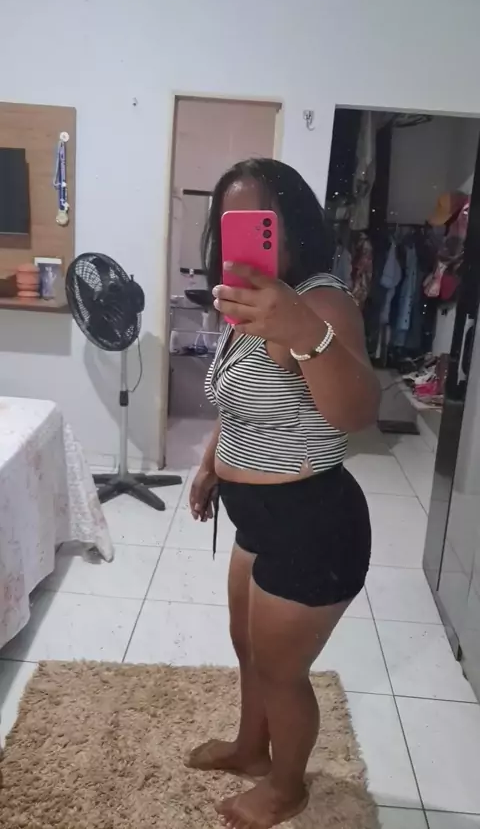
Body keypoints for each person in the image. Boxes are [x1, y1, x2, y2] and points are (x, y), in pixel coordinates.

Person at [186, 158, 379, 829]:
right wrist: (211, 463)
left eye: (259, 222)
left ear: (291, 225)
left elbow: (358, 411)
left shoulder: (319, 303)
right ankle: (250, 747)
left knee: (282, 671)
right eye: (229, 224)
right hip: (259, 517)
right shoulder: (249, 302)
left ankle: (288, 787)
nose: (242, 237)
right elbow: (238, 400)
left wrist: (301, 331)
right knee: (248, 647)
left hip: (313, 524)